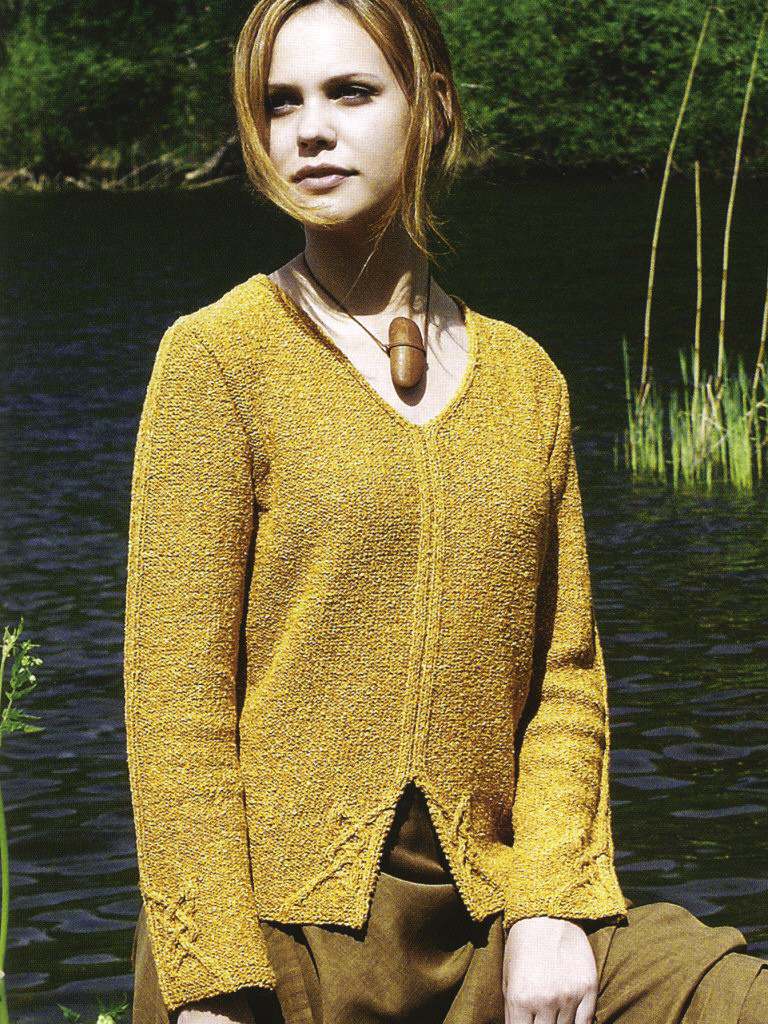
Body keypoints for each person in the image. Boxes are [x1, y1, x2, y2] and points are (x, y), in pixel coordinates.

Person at [123, 1, 768, 1023]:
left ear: (432, 109)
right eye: (281, 102)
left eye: (350, 92)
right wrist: (213, 982)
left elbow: (566, 679)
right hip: (281, 937)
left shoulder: (528, 381)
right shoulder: (216, 359)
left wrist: (552, 903)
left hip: (495, 918)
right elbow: (175, 711)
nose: (310, 130)